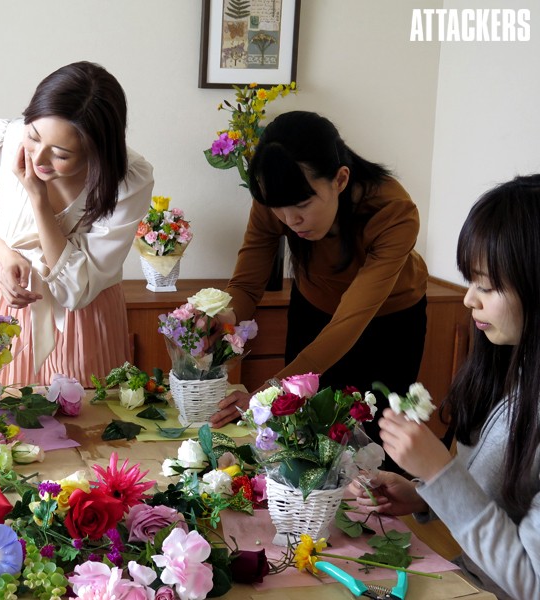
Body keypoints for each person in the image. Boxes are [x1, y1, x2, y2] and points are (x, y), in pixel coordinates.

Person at [349, 174, 540, 600]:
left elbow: (532, 580)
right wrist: (423, 496)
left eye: (487, 286)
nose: (470, 299)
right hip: (465, 580)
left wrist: (439, 472)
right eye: (470, 281)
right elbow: (501, 503)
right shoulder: (513, 366)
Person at [210, 111, 429, 444]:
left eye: (302, 204)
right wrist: (224, 317)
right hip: (313, 310)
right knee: (300, 437)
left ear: (340, 180)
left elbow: (349, 321)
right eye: (278, 208)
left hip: (388, 325)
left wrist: (268, 392)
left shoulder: (392, 211)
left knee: (374, 444)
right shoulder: (276, 197)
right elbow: (245, 284)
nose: (290, 220)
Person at [0, 61, 155, 387]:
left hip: (86, 313)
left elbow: (76, 290)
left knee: (86, 424)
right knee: (9, 418)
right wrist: (6, 256)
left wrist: (38, 199)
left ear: (94, 153)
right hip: (15, 299)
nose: (38, 159)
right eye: (33, 136)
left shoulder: (127, 180)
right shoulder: (1, 139)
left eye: (60, 154)